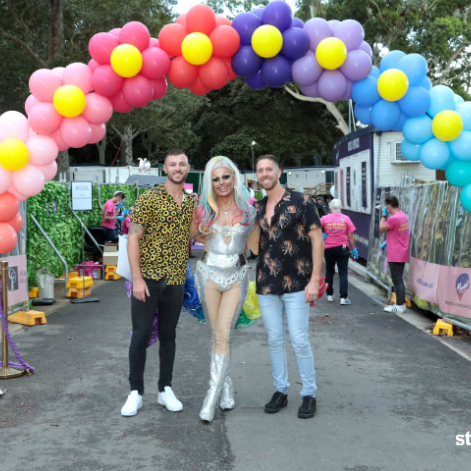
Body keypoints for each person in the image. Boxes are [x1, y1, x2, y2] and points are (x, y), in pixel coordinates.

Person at [122, 150, 198, 417]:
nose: (177, 168)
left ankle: (165, 389)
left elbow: (193, 235)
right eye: (172, 164)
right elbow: (133, 238)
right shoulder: (149, 198)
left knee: (169, 336)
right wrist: (138, 279)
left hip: (176, 280)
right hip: (148, 279)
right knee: (140, 335)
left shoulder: (190, 202)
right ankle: (135, 392)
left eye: (182, 164)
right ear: (164, 168)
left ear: (188, 168)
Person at [254, 155, 323, 419]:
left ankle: (309, 393)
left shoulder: (302, 201)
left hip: (298, 282)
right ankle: (280, 390)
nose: (264, 173)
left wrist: (315, 280)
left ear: (279, 171)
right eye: (260, 170)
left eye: (268, 169)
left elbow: (317, 241)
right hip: (266, 283)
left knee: (299, 339)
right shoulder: (258, 207)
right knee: (274, 339)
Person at [193, 156, 256, 422]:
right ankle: (226, 389)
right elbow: (183, 240)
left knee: (223, 335)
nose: (221, 183)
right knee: (217, 334)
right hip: (207, 275)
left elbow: (258, 249)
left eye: (225, 177)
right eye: (215, 178)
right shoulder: (201, 211)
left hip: (236, 277)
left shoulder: (250, 212)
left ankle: (211, 399)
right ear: (210, 182)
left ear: (234, 177)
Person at [320, 199, 358, 305]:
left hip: (328, 248)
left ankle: (329, 295)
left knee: (329, 271)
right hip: (343, 247)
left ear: (330, 208)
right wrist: (354, 249)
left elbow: (316, 228)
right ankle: (343, 298)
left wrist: (322, 235)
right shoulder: (346, 219)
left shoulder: (324, 218)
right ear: (341, 208)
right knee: (343, 272)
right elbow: (350, 235)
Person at [378, 195, 410, 314]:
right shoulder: (403, 216)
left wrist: (383, 215)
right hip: (401, 251)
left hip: (395, 253)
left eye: (386, 206)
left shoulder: (393, 218)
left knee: (397, 280)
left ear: (389, 206)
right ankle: (400, 304)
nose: (386, 208)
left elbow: (381, 228)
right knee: (399, 279)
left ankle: (399, 305)